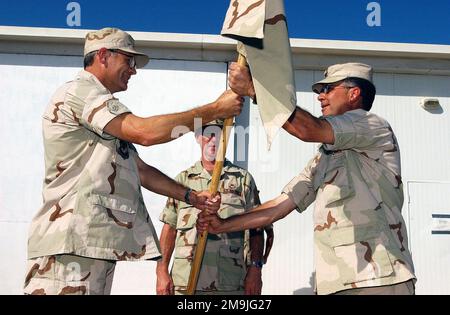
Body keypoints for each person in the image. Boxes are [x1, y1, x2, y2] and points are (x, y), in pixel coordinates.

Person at [24, 27, 243, 295]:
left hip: (89, 247)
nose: (134, 70)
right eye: (129, 60)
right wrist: (213, 110)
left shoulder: (104, 115)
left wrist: (191, 196)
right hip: (68, 246)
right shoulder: (81, 92)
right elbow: (145, 133)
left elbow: (139, 170)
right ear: (103, 55)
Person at [198, 62, 417, 295]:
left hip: (377, 279)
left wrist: (254, 89)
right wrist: (223, 224)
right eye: (319, 92)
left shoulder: (372, 125)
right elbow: (278, 207)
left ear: (354, 94)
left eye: (328, 89)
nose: (320, 97)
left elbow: (308, 129)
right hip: (337, 283)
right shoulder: (324, 157)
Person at [156, 120, 273, 295]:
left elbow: (256, 228)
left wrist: (256, 269)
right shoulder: (182, 181)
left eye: (219, 133)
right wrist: (162, 272)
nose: (213, 139)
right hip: (186, 284)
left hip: (229, 285)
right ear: (197, 137)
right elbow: (169, 228)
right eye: (208, 133)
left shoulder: (242, 181)